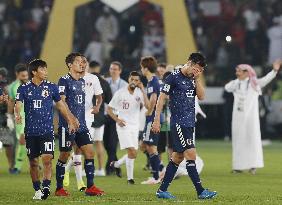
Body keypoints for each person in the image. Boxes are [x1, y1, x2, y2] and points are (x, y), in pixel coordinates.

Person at [152, 53, 217, 199]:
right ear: (189, 62)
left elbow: (201, 96)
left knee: (177, 157)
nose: (197, 71)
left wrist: (197, 79)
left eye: (200, 70)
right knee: (191, 155)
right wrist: (157, 120)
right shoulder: (173, 77)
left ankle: (162, 190)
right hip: (179, 123)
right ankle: (200, 191)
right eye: (196, 68)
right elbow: (161, 98)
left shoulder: (193, 79)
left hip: (189, 123)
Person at [15, 59, 78, 200]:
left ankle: (46, 187)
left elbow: (61, 106)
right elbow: (18, 104)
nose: (46, 72)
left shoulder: (51, 87)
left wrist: (70, 121)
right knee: (33, 163)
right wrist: (17, 114)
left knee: (47, 159)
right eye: (42, 69)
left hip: (47, 131)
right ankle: (37, 189)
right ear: (34, 72)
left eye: (46, 69)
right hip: (31, 132)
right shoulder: (24, 88)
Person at [55, 53, 105, 197]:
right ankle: (59, 189)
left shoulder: (82, 82)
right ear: (70, 65)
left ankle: (90, 187)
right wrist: (71, 119)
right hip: (67, 125)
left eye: (83, 62)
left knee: (89, 153)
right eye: (78, 62)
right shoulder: (63, 80)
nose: (82, 64)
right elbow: (61, 102)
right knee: (64, 155)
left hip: (81, 124)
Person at [225, 60, 282, 174]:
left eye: (239, 71)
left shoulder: (254, 83)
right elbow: (227, 88)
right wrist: (237, 81)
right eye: (237, 71)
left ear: (247, 72)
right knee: (238, 141)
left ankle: (253, 166)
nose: (237, 73)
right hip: (238, 118)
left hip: (252, 119)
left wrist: (275, 70)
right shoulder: (235, 84)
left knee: (253, 140)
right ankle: (238, 166)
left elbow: (266, 79)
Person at [107, 71, 149, 184]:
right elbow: (109, 109)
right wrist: (117, 119)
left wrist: (143, 90)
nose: (133, 82)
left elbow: (148, 106)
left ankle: (116, 164)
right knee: (132, 151)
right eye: (132, 79)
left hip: (135, 126)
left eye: (136, 80)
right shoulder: (120, 93)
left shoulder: (139, 92)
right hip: (123, 125)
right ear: (129, 79)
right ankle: (130, 179)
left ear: (139, 82)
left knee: (133, 153)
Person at [140, 56, 162, 185]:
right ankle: (159, 171)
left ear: (146, 68)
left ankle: (155, 176)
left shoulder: (153, 82)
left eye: (142, 67)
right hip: (150, 118)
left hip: (152, 119)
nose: (141, 69)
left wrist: (149, 111)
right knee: (146, 146)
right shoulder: (150, 82)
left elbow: (153, 100)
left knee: (150, 147)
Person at [89, 61, 112, 176]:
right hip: (100, 118)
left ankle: (88, 168)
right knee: (99, 143)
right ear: (98, 68)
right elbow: (109, 101)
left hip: (88, 116)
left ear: (89, 68)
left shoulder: (85, 81)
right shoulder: (104, 82)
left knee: (86, 144)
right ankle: (101, 169)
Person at [105, 61, 127, 176]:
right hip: (105, 116)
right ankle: (116, 165)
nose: (112, 71)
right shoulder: (105, 82)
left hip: (117, 117)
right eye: (111, 68)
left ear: (120, 71)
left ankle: (109, 167)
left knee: (112, 143)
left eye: (115, 69)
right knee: (106, 143)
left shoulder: (124, 85)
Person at [7, 63, 29, 174]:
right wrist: (9, 117)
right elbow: (11, 102)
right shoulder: (12, 87)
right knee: (23, 141)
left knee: (23, 139)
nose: (25, 78)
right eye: (23, 76)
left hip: (32, 117)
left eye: (26, 75)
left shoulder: (32, 85)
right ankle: (30, 161)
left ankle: (18, 166)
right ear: (17, 74)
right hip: (19, 118)